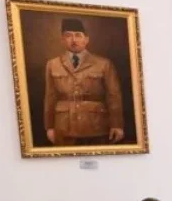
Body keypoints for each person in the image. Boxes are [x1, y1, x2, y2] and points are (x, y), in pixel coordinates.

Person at [43, 18, 126, 146]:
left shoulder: (103, 64)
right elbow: (50, 96)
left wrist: (117, 125)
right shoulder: (52, 64)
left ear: (86, 39)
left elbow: (113, 96)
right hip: (64, 126)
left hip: (96, 125)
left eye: (78, 35)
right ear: (62, 39)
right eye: (68, 36)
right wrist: (49, 127)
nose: (74, 40)